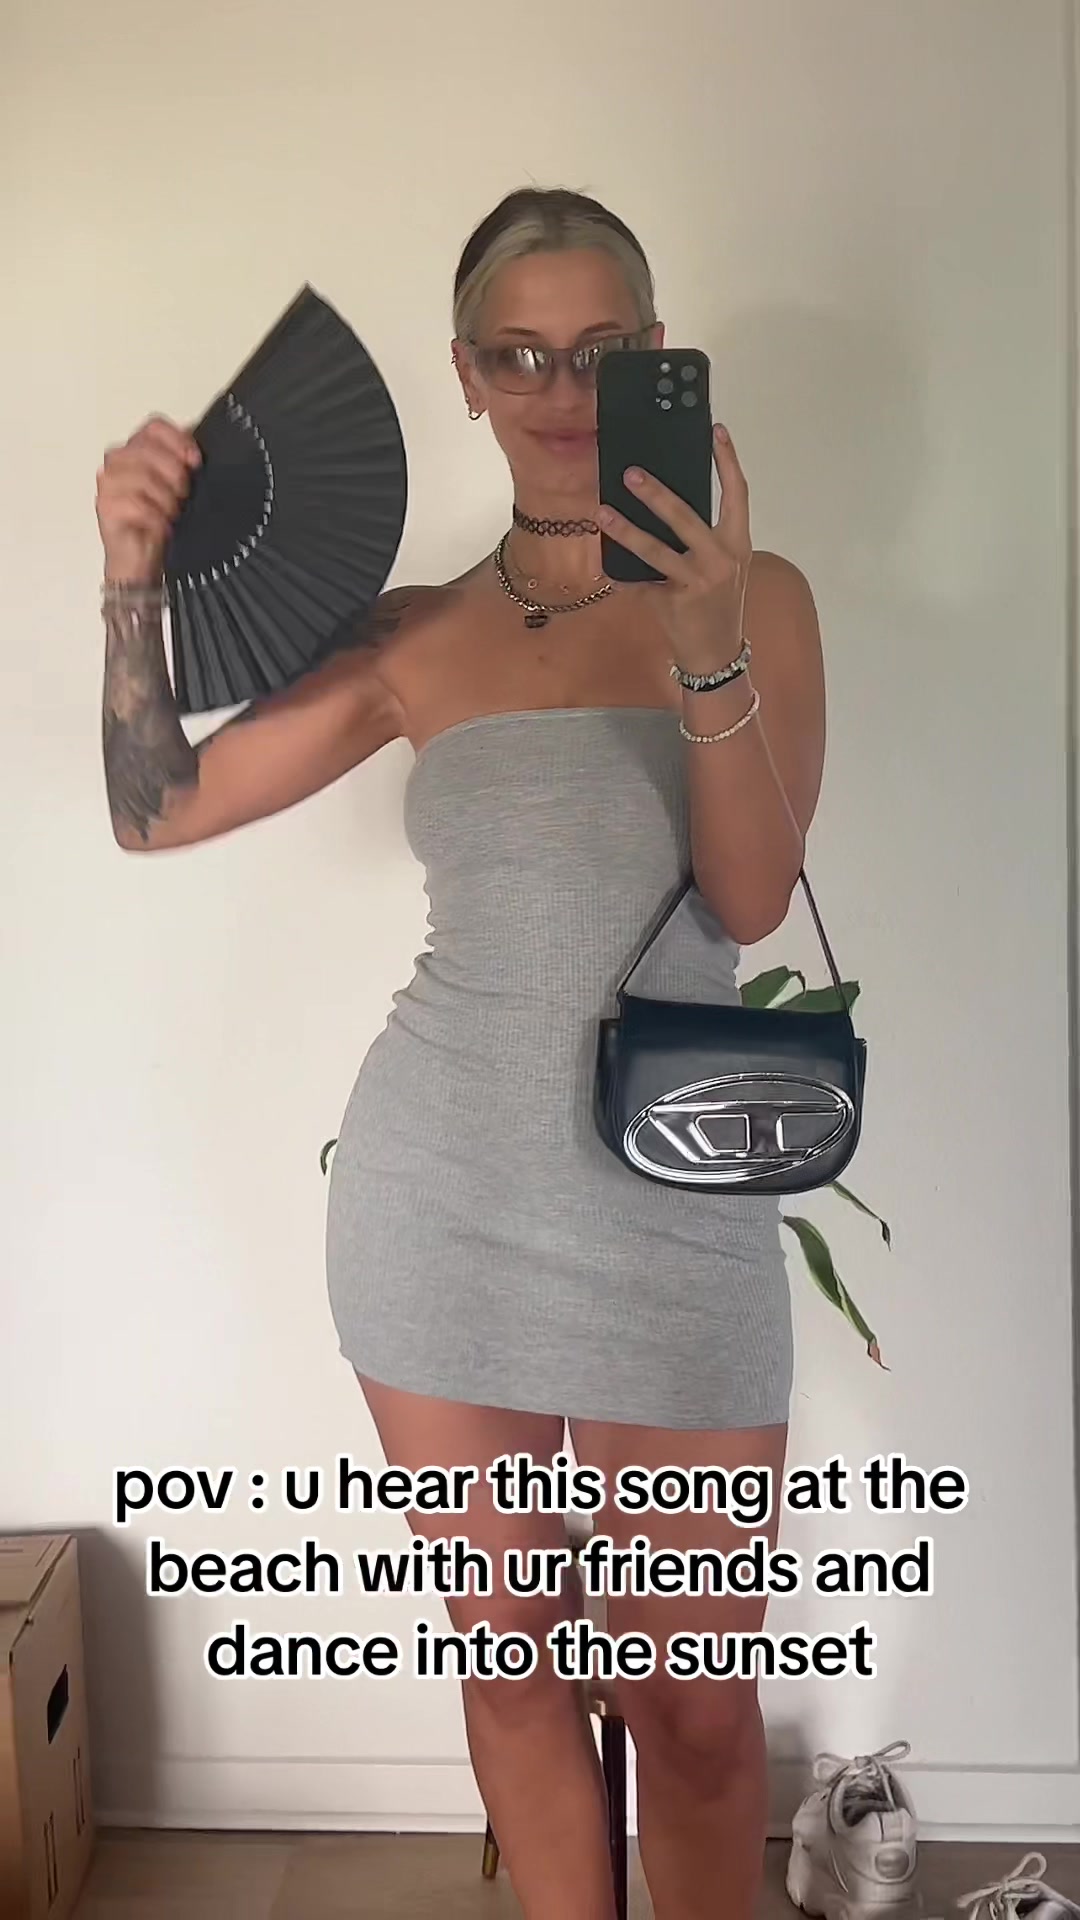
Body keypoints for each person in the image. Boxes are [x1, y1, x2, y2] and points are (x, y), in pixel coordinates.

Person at [95, 186, 826, 1920]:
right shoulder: (414, 635)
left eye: (603, 352)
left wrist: (706, 643)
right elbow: (156, 808)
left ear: (660, 358)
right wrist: (132, 582)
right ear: (467, 374)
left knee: (695, 1706)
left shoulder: (759, 597)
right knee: (513, 1666)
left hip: (677, 1198)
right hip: (441, 1199)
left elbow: (749, 899)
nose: (562, 391)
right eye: (521, 355)